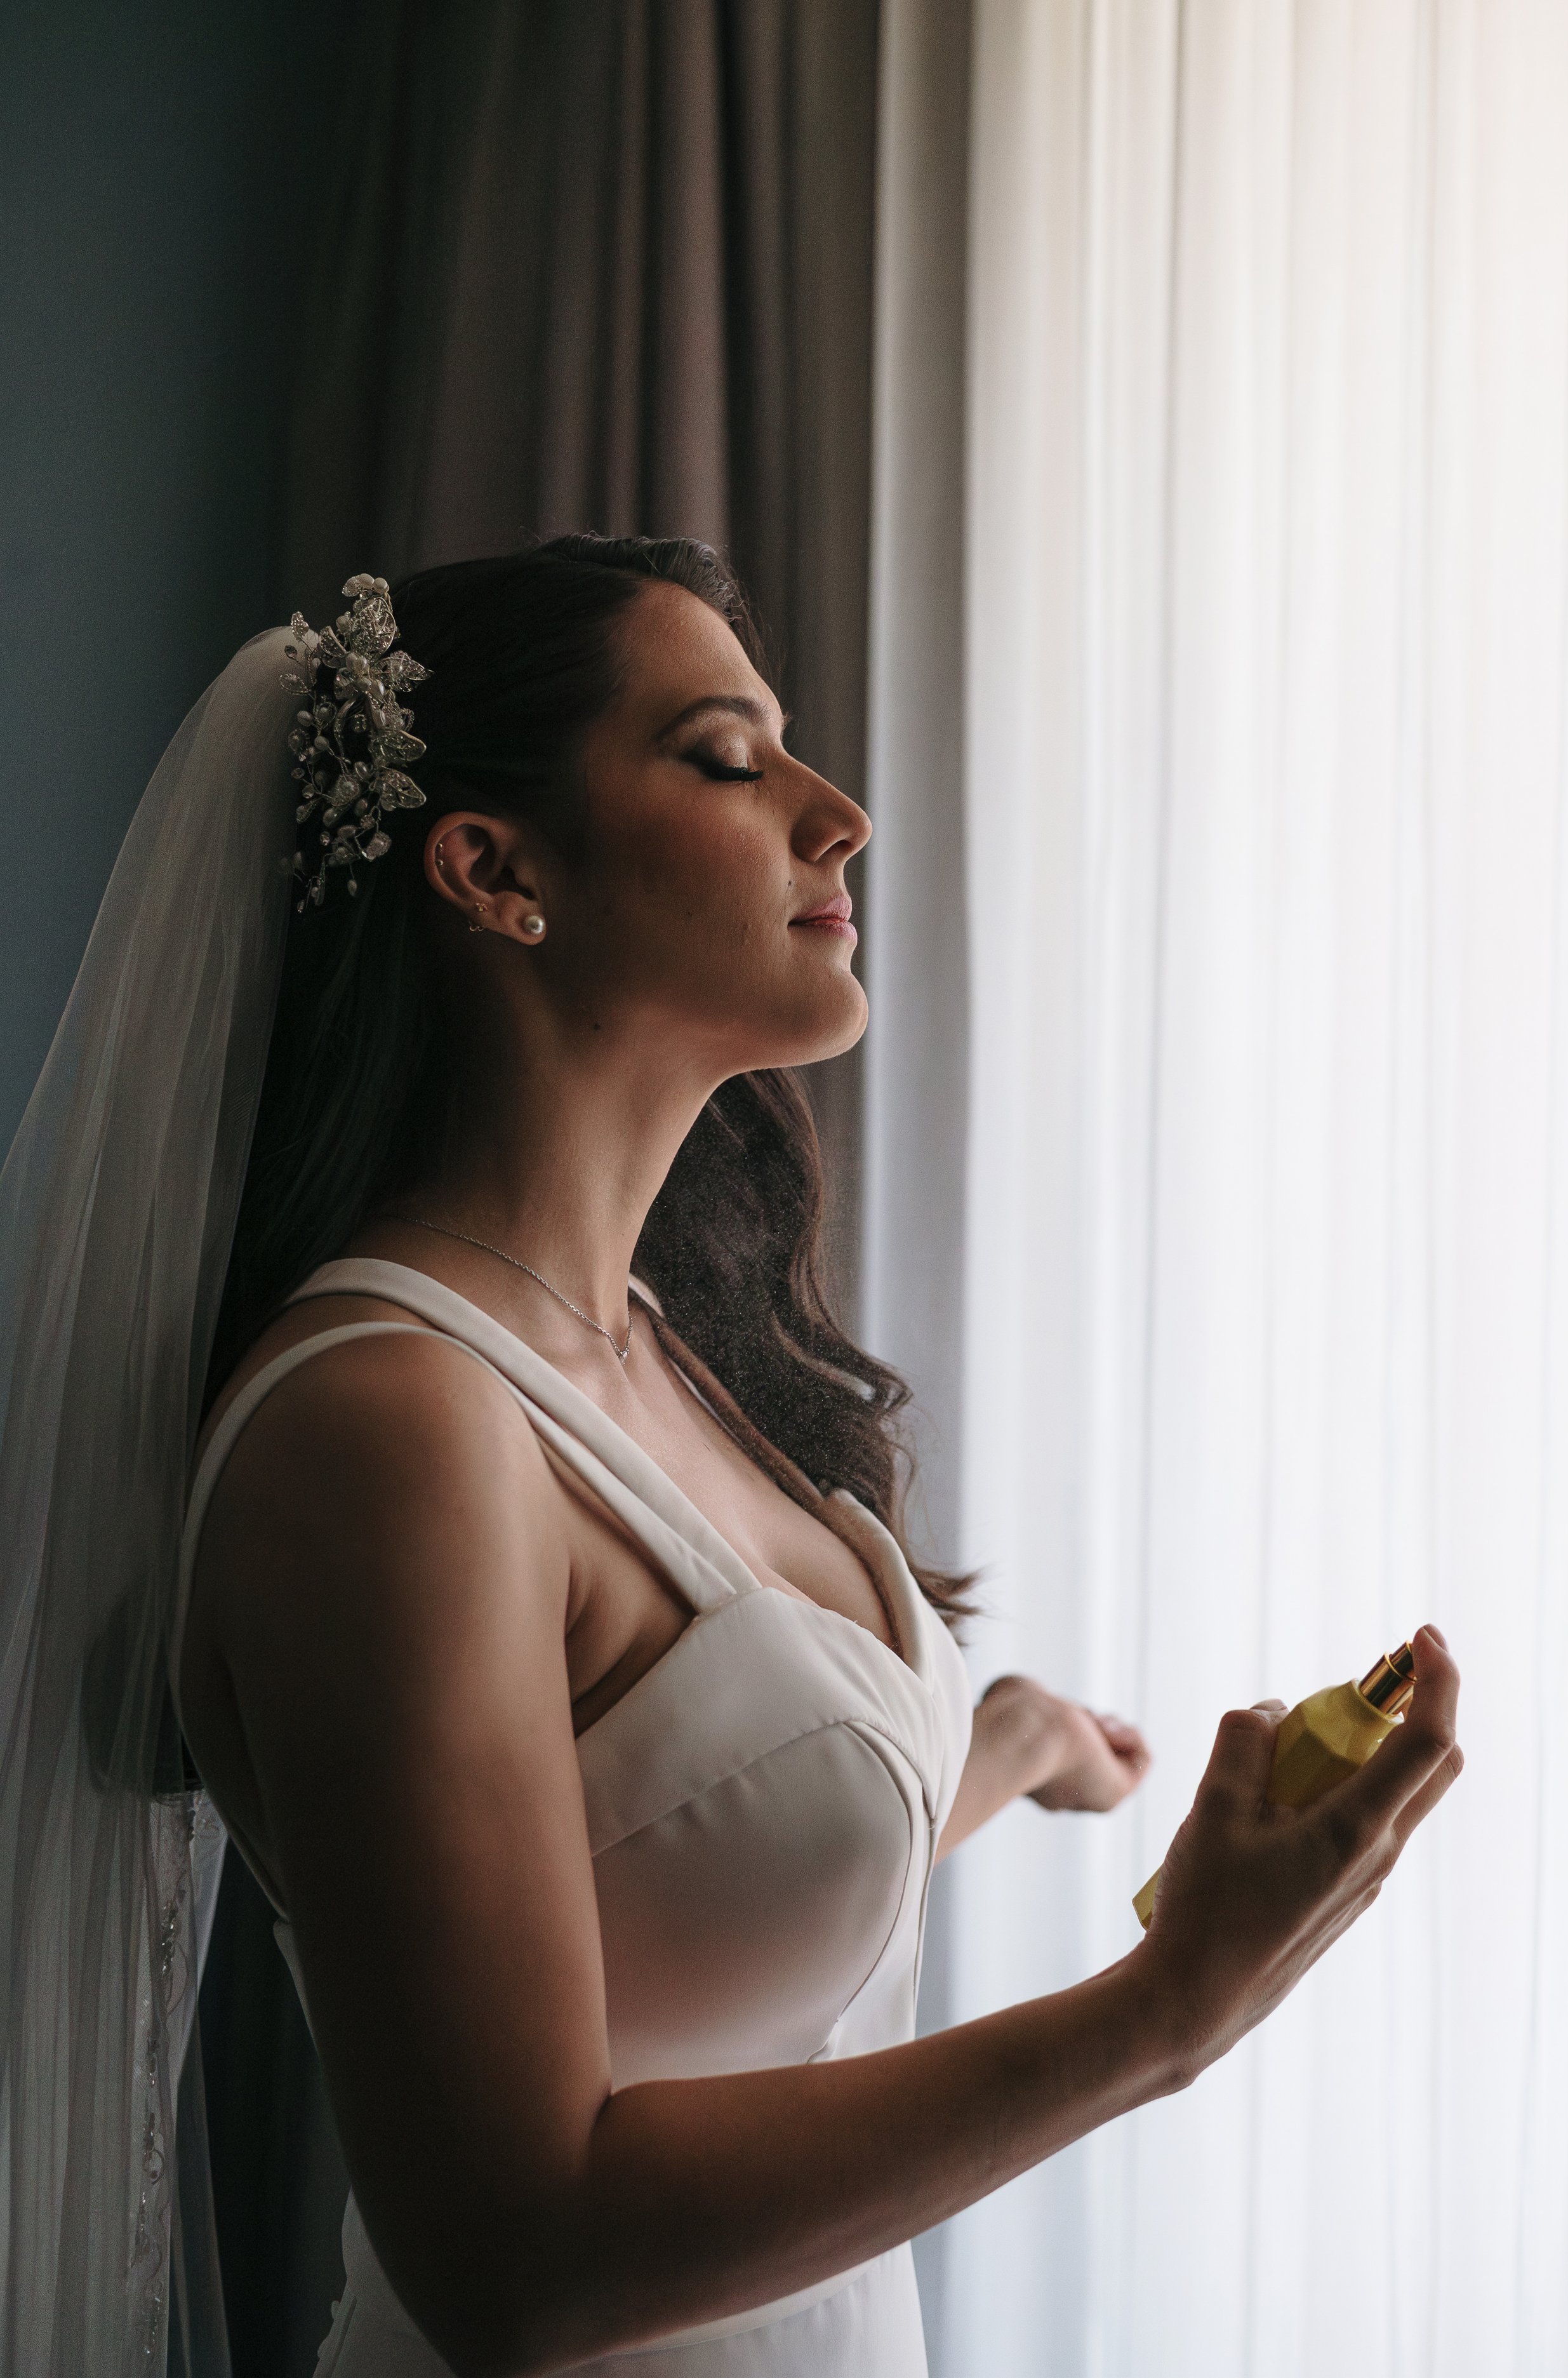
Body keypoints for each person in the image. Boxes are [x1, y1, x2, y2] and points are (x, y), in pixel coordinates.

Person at [0, 538, 1462, 2378]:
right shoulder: (385, 1429)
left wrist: (992, 1738)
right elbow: (512, 2254)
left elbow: (667, 1852)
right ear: (494, 871)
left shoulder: (648, 1351)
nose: (835, 814)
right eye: (725, 756)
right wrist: (1169, 2006)